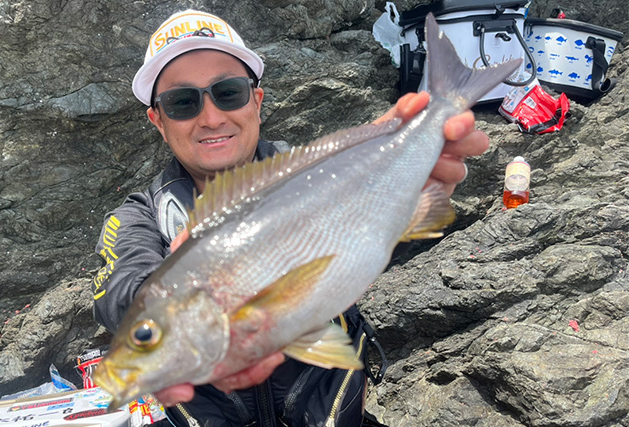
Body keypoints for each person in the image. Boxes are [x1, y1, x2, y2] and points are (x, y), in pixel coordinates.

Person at [92, 8, 488, 427]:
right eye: (182, 102)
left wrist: (406, 185)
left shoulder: (317, 173)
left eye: (228, 92)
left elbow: (380, 245)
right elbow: (120, 296)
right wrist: (191, 284)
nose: (211, 117)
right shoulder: (138, 215)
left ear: (256, 101)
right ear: (158, 120)